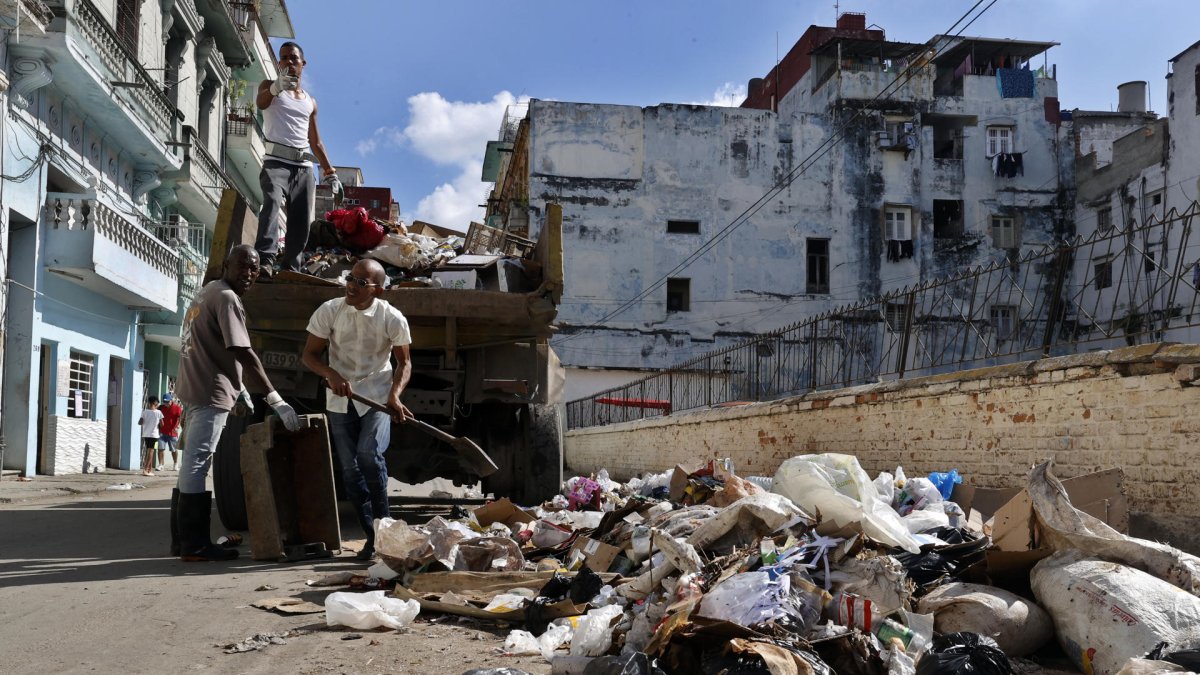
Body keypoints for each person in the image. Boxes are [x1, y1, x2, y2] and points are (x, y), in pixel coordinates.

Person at [170, 244, 301, 562]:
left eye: (254, 268)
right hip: (210, 390)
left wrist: (239, 386)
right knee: (198, 463)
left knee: (191, 462)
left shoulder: (209, 291)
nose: (249, 273)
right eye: (242, 266)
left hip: (196, 385)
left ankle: (183, 542)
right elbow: (243, 350)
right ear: (226, 265)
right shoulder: (228, 298)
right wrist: (275, 397)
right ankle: (194, 545)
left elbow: (216, 344)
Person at [301, 259, 412, 561]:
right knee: (350, 472)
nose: (352, 284)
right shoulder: (330, 310)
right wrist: (330, 374)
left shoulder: (392, 318)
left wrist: (395, 396)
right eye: (351, 278)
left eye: (362, 282)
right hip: (340, 398)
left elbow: (404, 362)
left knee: (368, 455)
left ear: (378, 289)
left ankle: (386, 534)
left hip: (376, 396)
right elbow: (309, 355)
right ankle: (372, 538)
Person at [253, 41, 340, 275]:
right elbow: (261, 103)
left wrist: (331, 174)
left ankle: (292, 267)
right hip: (275, 163)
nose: (288, 62)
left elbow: (316, 142)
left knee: (301, 221)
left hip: (303, 167)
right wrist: (275, 88)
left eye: (293, 58)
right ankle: (265, 261)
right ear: (279, 62)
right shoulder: (269, 86)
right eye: (284, 58)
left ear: (303, 63)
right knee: (271, 204)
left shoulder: (310, 102)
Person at [158, 393, 183, 471]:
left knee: (174, 449)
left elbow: (180, 418)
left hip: (172, 433)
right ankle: (161, 465)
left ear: (171, 400)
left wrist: (177, 426)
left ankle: (175, 464)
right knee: (160, 449)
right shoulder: (161, 408)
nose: (166, 403)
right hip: (162, 432)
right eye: (165, 402)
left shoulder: (177, 408)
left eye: (168, 402)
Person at [139, 397, 163, 477]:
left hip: (146, 435)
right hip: (155, 436)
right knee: (151, 451)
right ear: (155, 403)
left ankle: (149, 470)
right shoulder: (159, 412)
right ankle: (145, 470)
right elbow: (162, 424)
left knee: (149, 451)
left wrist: (146, 421)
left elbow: (140, 422)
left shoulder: (145, 412)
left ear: (149, 403)